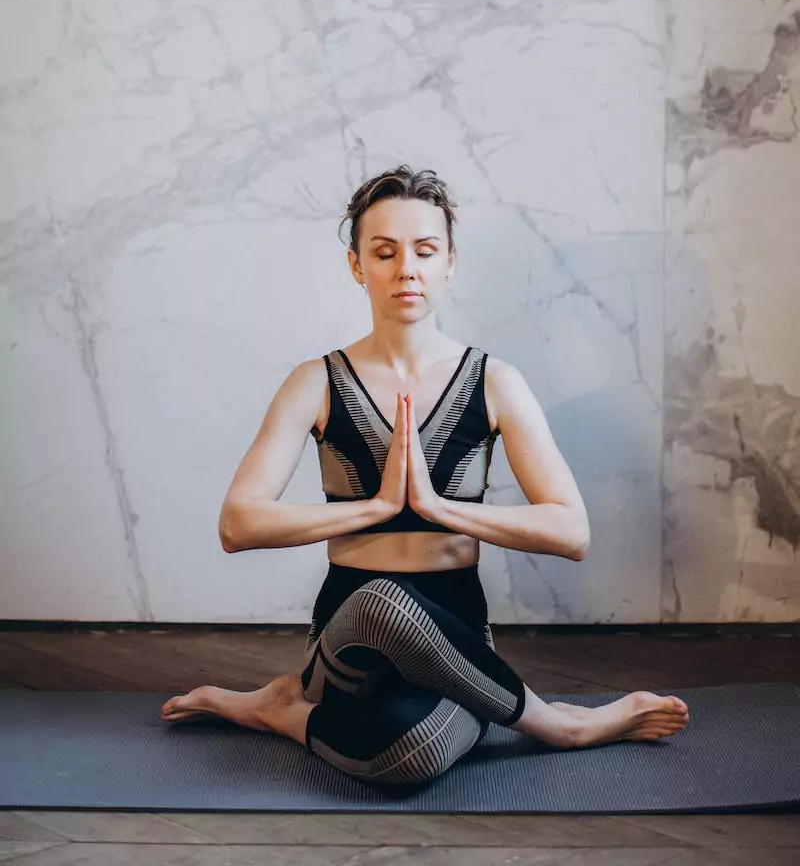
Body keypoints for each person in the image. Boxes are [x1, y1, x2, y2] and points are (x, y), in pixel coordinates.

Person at [162, 164, 689, 785]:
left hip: (460, 643)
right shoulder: (316, 382)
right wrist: (376, 507)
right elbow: (237, 522)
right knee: (385, 601)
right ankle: (563, 724)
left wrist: (440, 508)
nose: (406, 268)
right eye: (384, 252)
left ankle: (280, 712)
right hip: (349, 638)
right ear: (358, 266)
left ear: (449, 263)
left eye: (424, 250)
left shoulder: (496, 382)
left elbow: (570, 531)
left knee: (413, 758)